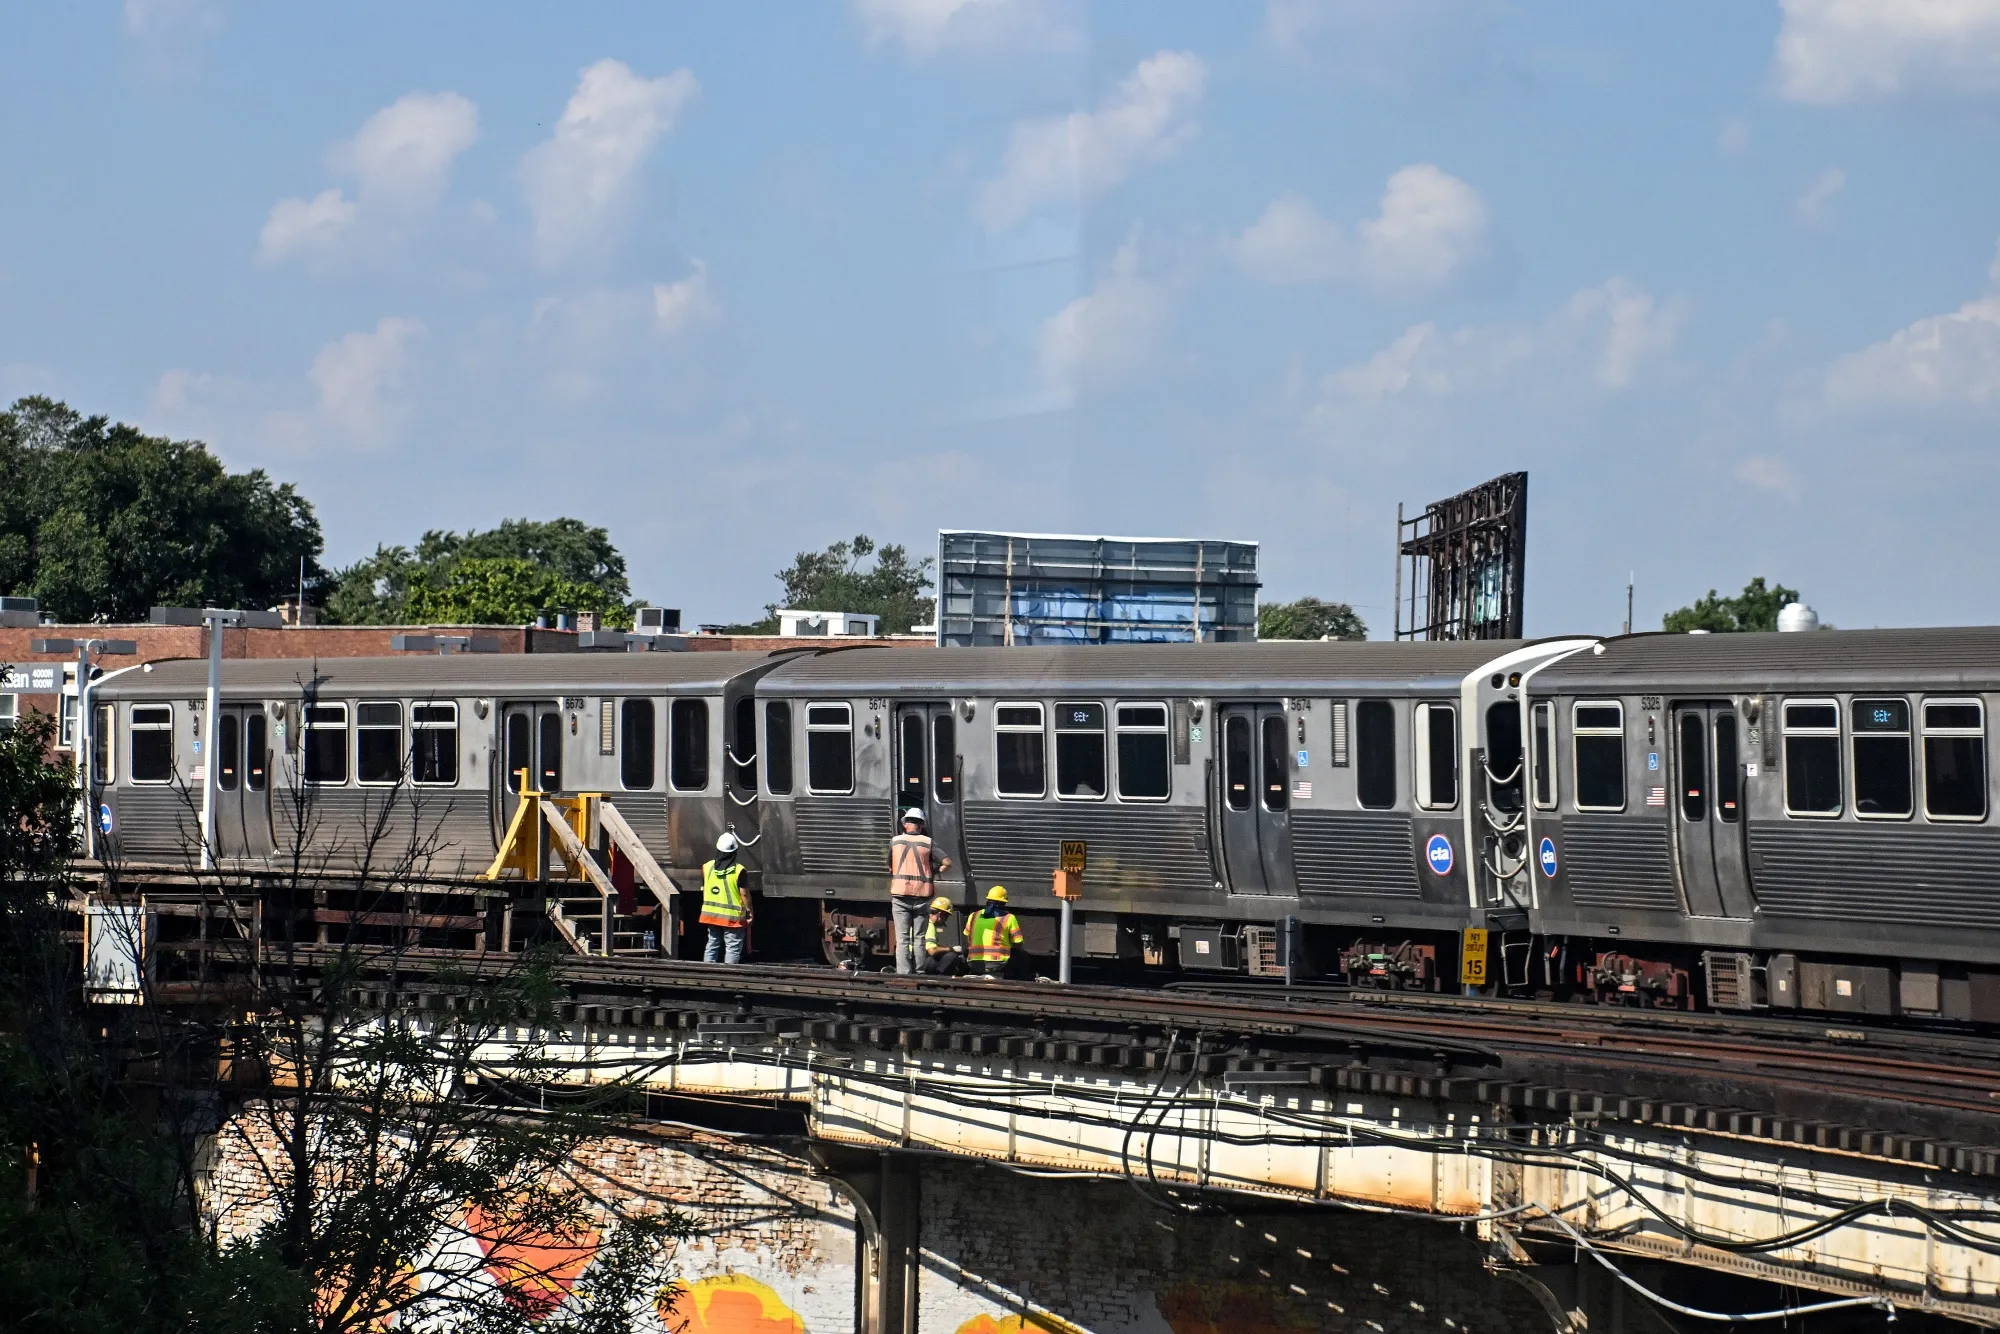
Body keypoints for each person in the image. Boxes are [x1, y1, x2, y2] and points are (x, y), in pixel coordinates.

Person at [888, 808, 951, 974]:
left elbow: (890, 866)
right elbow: (947, 863)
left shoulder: (895, 842)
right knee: (919, 938)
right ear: (921, 825)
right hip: (922, 897)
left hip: (900, 896)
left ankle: (903, 973)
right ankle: (920, 971)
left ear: (905, 824)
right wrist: (933, 872)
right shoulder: (928, 843)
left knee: (902, 939)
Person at [700, 832, 750, 964]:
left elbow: (704, 889)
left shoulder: (707, 867)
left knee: (712, 943)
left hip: (711, 915)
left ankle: (706, 972)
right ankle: (729, 975)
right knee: (732, 947)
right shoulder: (739, 870)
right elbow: (744, 894)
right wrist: (749, 911)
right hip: (732, 917)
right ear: (734, 851)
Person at [965, 885, 1024, 979]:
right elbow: (1018, 943)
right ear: (1004, 903)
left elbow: (968, 939)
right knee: (1021, 955)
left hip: (974, 964)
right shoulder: (1009, 918)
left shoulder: (973, 915)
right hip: (998, 965)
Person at [918, 896, 966, 976]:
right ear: (940, 914)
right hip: (922, 962)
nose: (946, 919)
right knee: (951, 956)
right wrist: (952, 949)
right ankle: (940, 977)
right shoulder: (929, 926)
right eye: (946, 916)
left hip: (914, 960)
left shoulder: (924, 921)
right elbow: (932, 950)